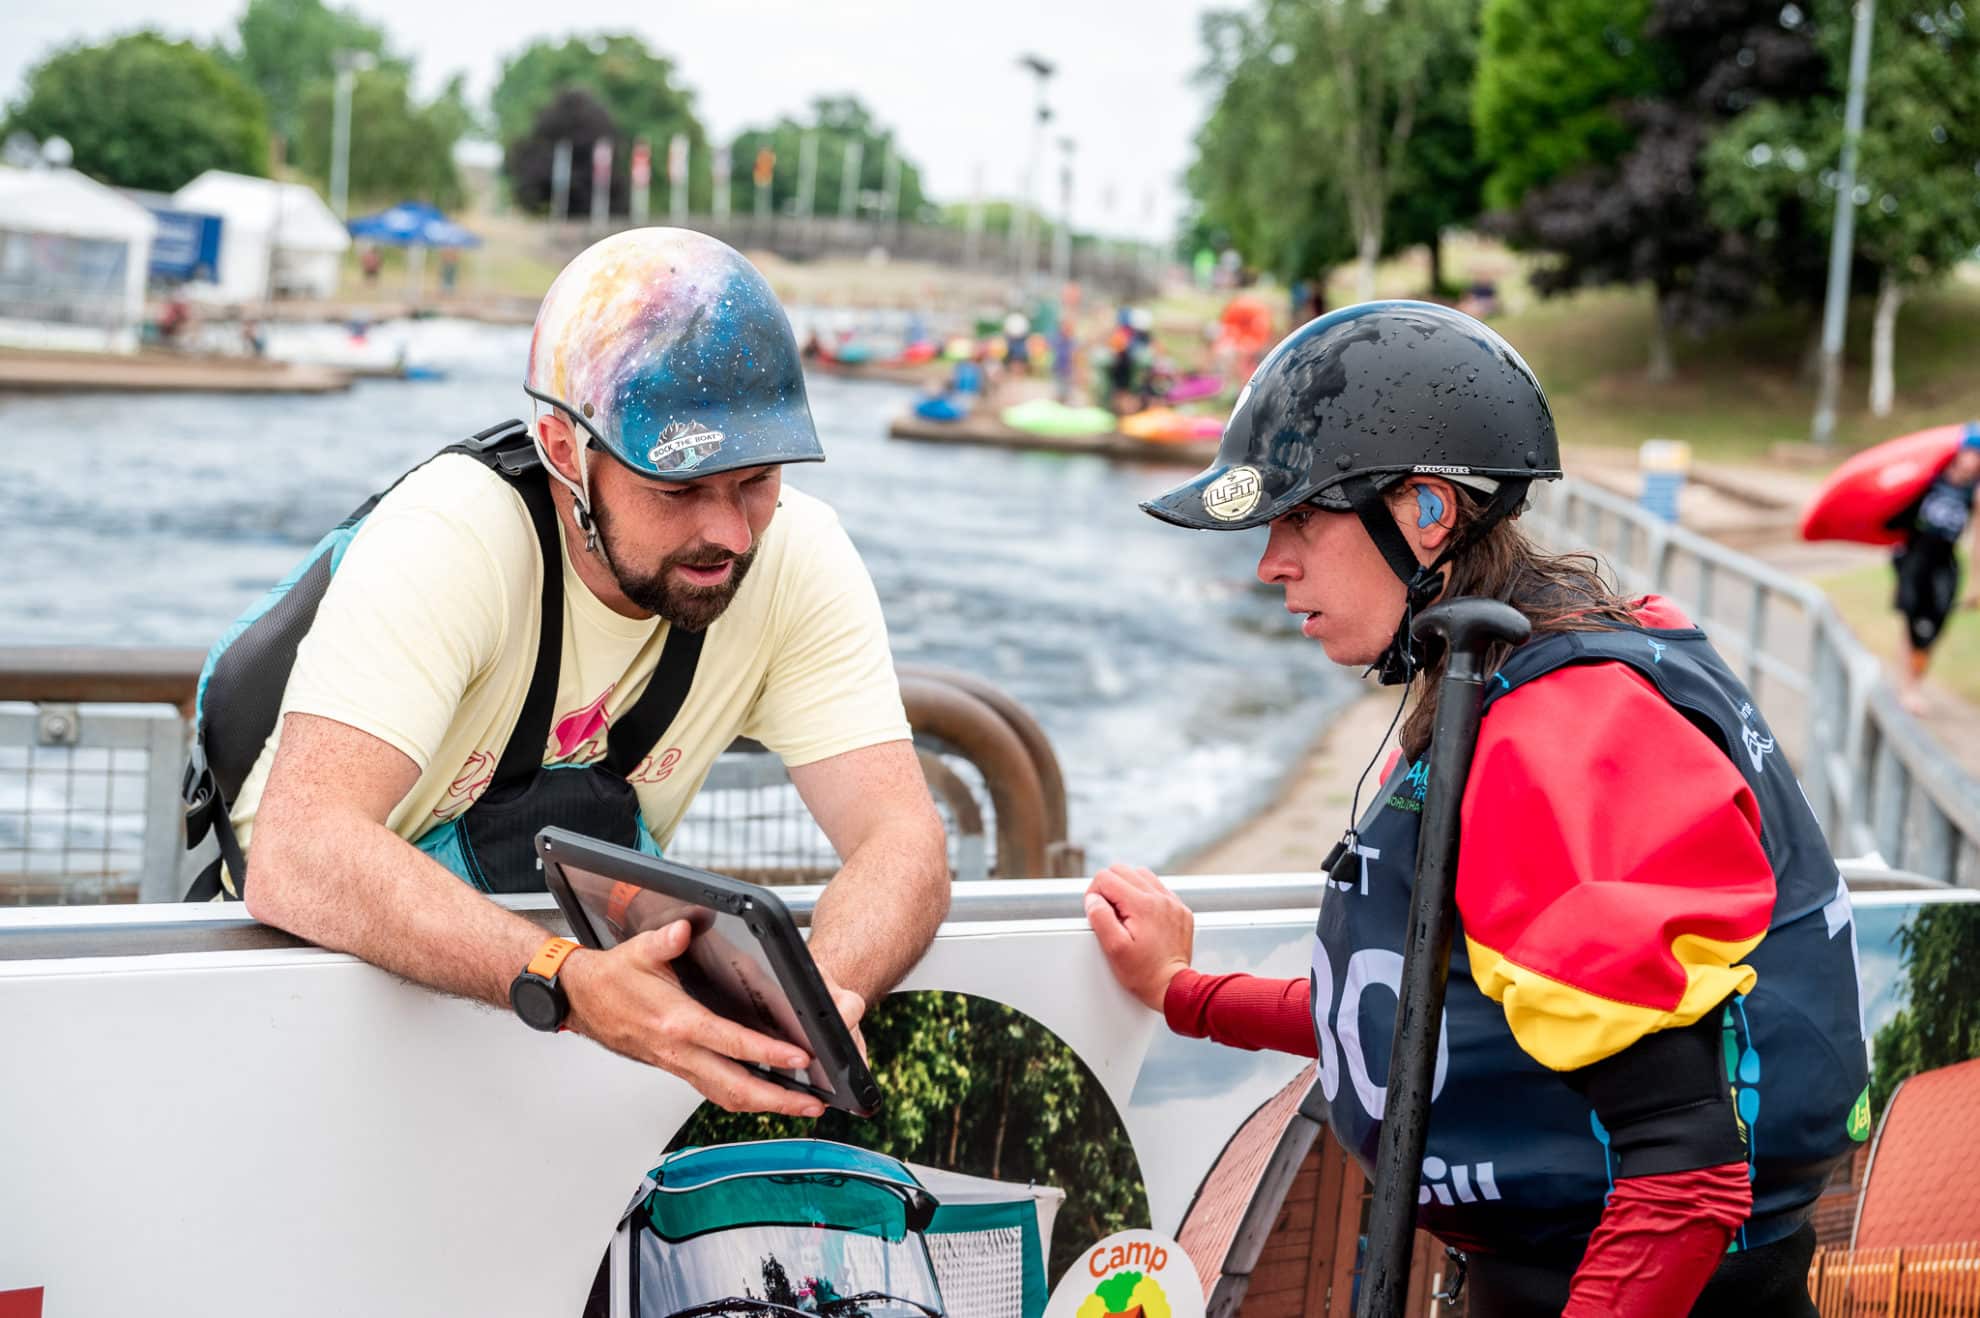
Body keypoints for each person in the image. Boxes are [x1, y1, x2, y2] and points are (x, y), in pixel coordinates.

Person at [1082, 302, 1868, 1316]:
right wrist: (1182, 989)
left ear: (1425, 511)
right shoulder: (1508, 680)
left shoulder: (1555, 741)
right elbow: (1422, 1010)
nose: (1272, 560)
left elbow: (1684, 1174)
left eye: (1302, 517)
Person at [211, 228, 949, 1118]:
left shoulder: (799, 556)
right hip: (301, 987)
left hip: (566, 1002)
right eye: (678, 488)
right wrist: (564, 978)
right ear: (565, 450)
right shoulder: (454, 536)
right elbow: (300, 853)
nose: (732, 533)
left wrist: (818, 1002)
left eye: (757, 479)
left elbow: (903, 840)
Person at [1892, 424, 1980, 714]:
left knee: (1933, 628)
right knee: (1909, 619)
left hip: (1945, 564)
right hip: (1916, 558)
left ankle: (1915, 681)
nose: (1974, 460)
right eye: (1971, 453)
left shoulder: (1974, 493)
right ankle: (1907, 688)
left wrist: (1975, 582)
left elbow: (1977, 540)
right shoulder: (1931, 478)